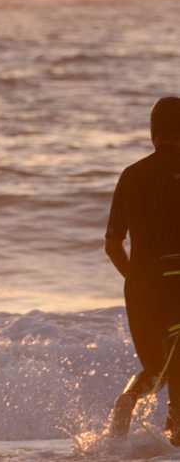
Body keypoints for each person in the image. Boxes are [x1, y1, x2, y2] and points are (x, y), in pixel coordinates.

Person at [107, 97, 180, 442]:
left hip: (140, 287)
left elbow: (112, 243)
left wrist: (137, 280)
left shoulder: (131, 175)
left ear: (153, 133)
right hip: (176, 282)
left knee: (157, 368)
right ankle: (176, 434)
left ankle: (129, 400)